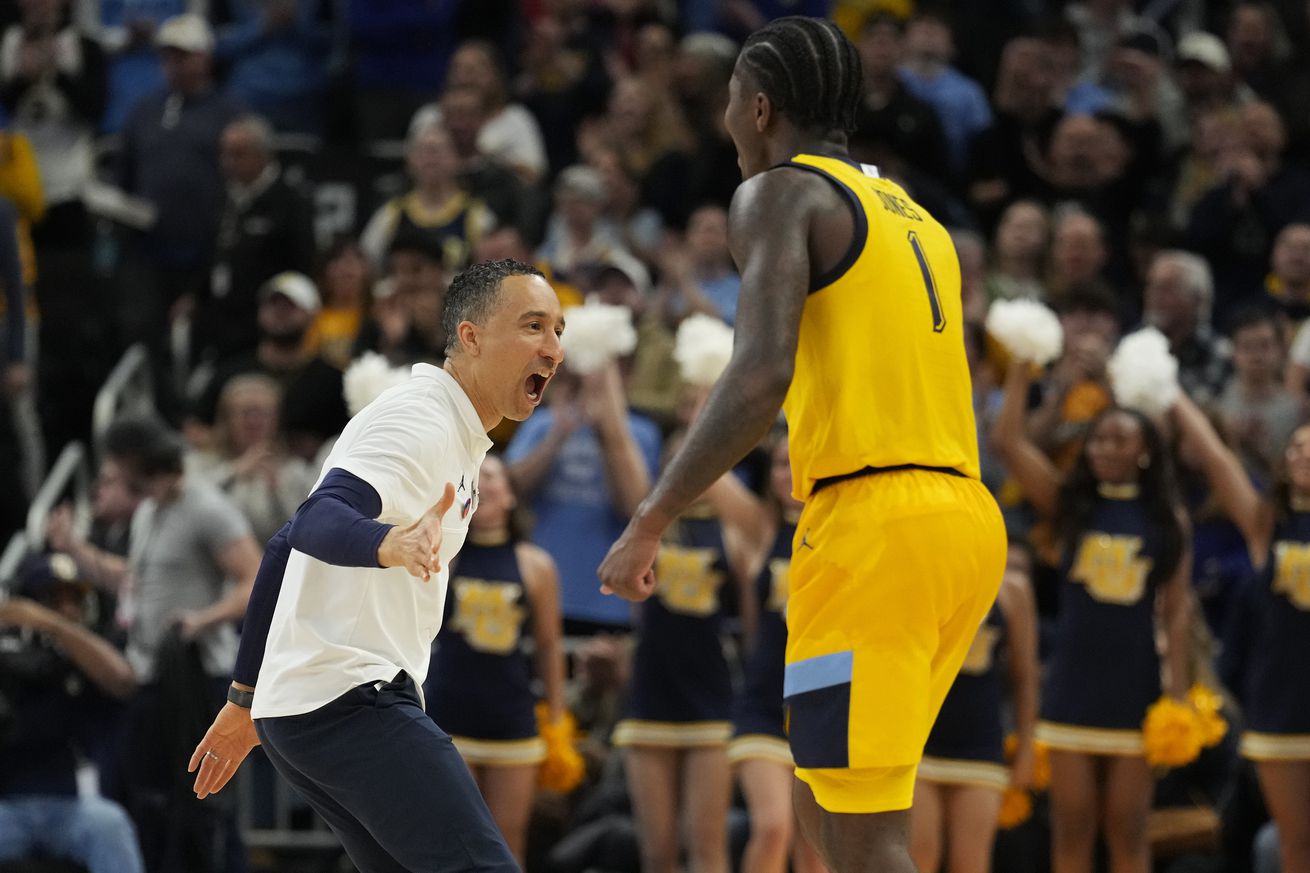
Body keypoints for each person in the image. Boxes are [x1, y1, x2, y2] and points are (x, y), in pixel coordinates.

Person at [598, 17, 1007, 873]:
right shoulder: (916, 217)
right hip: (960, 520)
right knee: (824, 805)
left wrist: (652, 512)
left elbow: (757, 377)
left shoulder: (781, 193)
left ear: (759, 107)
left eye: (727, 106)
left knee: (862, 838)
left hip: (874, 523)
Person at [187, 259, 565, 873]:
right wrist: (388, 545)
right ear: (470, 337)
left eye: (558, 331)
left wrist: (245, 697)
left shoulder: (453, 431)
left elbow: (283, 546)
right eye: (533, 327)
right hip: (351, 699)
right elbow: (315, 521)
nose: (552, 349)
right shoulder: (420, 418)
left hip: (307, 709)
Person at [991, 362, 1192, 873]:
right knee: (1072, 827)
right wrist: (1022, 368)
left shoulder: (1167, 519)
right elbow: (1008, 441)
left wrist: (1179, 699)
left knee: (1128, 830)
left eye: (1118, 439)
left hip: (1136, 687)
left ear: (1145, 451)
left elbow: (1174, 616)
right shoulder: (1067, 504)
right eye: (1098, 439)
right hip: (1073, 686)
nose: (1103, 448)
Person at [1171, 394, 1310, 873]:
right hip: (1280, 701)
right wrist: (1171, 391)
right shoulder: (1268, 525)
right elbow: (1216, 457)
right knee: (1295, 847)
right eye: (1295, 448)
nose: (1303, 455)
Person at [423, 453, 567, 867]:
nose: (485, 484)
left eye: (494, 477)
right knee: (456, 838)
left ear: (510, 496)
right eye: (476, 477)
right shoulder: (445, 556)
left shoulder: (536, 565)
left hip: (512, 718)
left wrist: (557, 717)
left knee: (507, 841)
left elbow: (549, 646)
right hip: (450, 714)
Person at [910, 538, 1040, 873]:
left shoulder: (1012, 590)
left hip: (980, 743)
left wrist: (1027, 747)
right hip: (919, 741)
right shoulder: (920, 579)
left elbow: (1024, 677)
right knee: (919, 857)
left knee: (971, 864)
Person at [729, 437, 828, 873]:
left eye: (799, 462)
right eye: (779, 465)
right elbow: (712, 477)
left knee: (815, 849)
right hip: (763, 707)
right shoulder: (761, 529)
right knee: (772, 827)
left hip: (823, 705)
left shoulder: (842, 532)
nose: (788, 474)